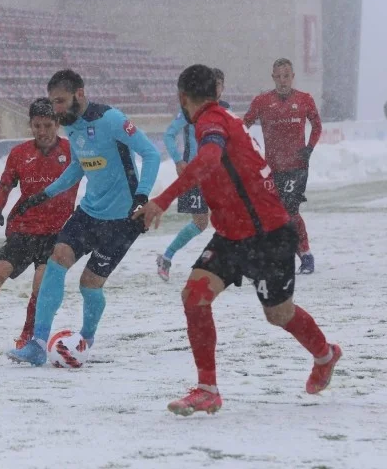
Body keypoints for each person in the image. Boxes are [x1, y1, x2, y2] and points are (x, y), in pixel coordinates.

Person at [134, 64, 341, 416]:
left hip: (269, 235)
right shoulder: (222, 117)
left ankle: (325, 355)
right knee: (195, 296)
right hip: (232, 235)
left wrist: (162, 200)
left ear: (182, 98)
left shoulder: (210, 122)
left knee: (278, 314)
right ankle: (207, 389)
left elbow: (211, 156)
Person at [6, 69, 160, 366]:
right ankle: (37, 344)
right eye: (54, 102)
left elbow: (151, 154)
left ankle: (85, 341)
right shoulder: (72, 127)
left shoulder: (111, 119)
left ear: (80, 93)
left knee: (89, 285)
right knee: (57, 258)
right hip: (89, 212)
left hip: (123, 220)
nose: (57, 109)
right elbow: (78, 166)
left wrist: (142, 196)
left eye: (61, 101)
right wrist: (43, 194)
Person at [0, 98, 78, 356]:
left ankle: (27, 335)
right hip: (24, 230)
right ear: (30, 125)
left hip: (57, 233)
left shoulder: (74, 151)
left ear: (57, 124)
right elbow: (5, 185)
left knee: (41, 285)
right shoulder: (20, 154)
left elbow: (99, 173)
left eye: (47, 125)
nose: (42, 131)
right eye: (36, 126)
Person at [244, 58, 322, 275]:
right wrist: (250, 148)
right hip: (272, 168)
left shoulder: (305, 99)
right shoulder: (261, 102)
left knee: (289, 210)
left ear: (293, 76)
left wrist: (309, 148)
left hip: (296, 166)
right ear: (273, 78)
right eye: (278, 76)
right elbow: (243, 126)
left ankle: (305, 255)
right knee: (270, 214)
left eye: (286, 75)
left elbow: (317, 125)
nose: (282, 80)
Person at [156, 67, 229, 282]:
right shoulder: (191, 111)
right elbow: (169, 135)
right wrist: (179, 160)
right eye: (212, 85)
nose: (215, 89)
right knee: (200, 222)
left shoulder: (225, 110)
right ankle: (167, 257)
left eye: (219, 85)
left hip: (219, 175)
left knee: (229, 218)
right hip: (196, 174)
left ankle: (234, 262)